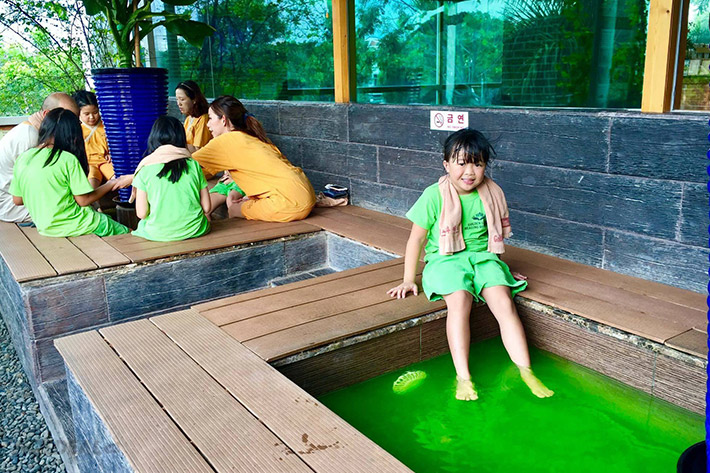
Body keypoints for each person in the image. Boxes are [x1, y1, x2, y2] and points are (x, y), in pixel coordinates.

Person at [386, 128, 554, 401]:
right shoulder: (434, 195)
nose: (469, 171)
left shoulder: (492, 193)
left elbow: (493, 238)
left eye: (477, 164)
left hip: (483, 258)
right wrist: (408, 279)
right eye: (461, 163)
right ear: (446, 165)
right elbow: (416, 239)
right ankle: (463, 377)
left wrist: (500, 270)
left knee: (503, 301)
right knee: (460, 300)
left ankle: (526, 371)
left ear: (485, 165)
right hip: (445, 259)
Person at [9, 108, 131, 237]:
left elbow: (17, 200)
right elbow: (84, 200)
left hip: (46, 229)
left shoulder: (24, 157)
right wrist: (113, 183)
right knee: (131, 234)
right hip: (82, 225)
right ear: (72, 134)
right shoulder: (67, 159)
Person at [192, 96, 316, 222]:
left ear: (223, 120)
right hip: (306, 194)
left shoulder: (225, 141)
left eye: (210, 118)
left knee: (233, 209)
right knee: (243, 202)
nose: (207, 124)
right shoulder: (254, 137)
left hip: (289, 203)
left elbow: (187, 165)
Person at [0, 92, 79, 222]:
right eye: (66, 119)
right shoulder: (30, 137)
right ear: (47, 114)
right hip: (10, 205)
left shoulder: (35, 131)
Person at [130, 116, 210, 241]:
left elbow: (142, 213)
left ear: (153, 138)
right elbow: (206, 207)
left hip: (158, 234)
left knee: (141, 226)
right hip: (196, 230)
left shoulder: (144, 169)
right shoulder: (194, 165)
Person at [72, 90, 114, 189]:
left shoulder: (106, 125)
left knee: (117, 179)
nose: (91, 117)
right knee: (91, 184)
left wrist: (112, 154)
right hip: (89, 164)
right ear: (78, 113)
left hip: (106, 161)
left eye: (95, 112)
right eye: (86, 114)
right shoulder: (76, 129)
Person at [175, 80, 213, 149]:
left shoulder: (203, 119)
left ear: (194, 99)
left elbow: (198, 149)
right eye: (177, 99)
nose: (178, 103)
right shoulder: (188, 118)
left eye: (182, 99)